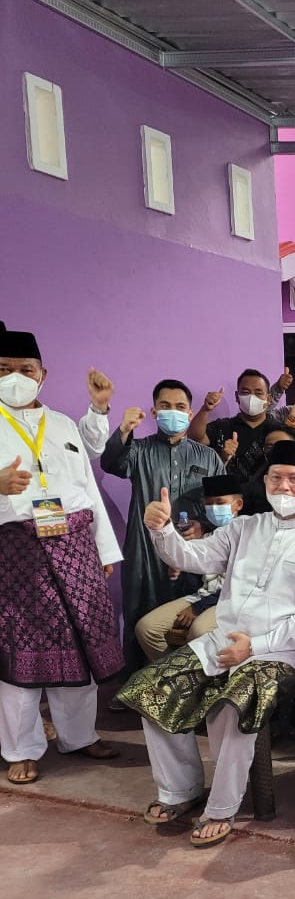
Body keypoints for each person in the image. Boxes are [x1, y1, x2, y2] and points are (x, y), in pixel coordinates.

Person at [117, 441, 295, 847]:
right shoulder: (245, 528)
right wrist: (162, 530)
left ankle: (223, 806)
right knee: (151, 687)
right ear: (266, 482)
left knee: (234, 701)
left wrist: (255, 646)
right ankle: (180, 788)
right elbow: (193, 557)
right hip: (223, 642)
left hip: (287, 653)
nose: (284, 487)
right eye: (276, 478)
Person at [0, 328, 123, 784]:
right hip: (17, 552)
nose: (15, 377)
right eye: (3, 370)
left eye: (25, 369)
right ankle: (20, 748)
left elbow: (86, 487)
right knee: (22, 649)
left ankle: (79, 735)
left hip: (75, 547)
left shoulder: (62, 424)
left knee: (80, 641)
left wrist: (102, 548)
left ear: (42, 375)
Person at [101, 379, 224, 670]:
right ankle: (136, 681)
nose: (173, 412)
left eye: (180, 407)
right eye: (165, 406)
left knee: (186, 618)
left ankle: (184, 680)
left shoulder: (208, 457)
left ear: (190, 412)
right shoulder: (139, 451)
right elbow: (112, 463)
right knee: (139, 616)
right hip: (144, 550)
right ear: (155, 412)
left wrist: (203, 526)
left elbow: (225, 504)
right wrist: (124, 430)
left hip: (193, 552)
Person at [133, 474, 245, 662]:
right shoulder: (204, 534)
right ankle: (171, 674)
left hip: (229, 601)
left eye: (220, 503)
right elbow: (189, 572)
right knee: (146, 629)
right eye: (209, 504)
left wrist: (198, 608)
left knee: (199, 631)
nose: (214, 509)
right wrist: (177, 573)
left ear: (238, 504)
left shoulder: (248, 535)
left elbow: (241, 586)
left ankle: (201, 675)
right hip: (200, 595)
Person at [188, 370, 279, 483]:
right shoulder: (222, 426)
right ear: (237, 396)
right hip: (228, 492)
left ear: (268, 399)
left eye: (258, 392)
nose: (251, 397)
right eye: (245, 392)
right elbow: (195, 438)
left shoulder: (278, 431)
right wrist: (205, 409)